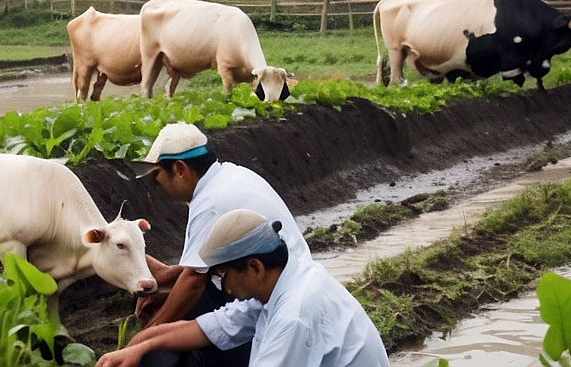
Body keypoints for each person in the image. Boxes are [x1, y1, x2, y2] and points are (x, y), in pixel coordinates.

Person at [116, 123, 308, 366]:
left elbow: (194, 281)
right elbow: (193, 270)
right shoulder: (229, 176)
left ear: (179, 169)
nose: (159, 187)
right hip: (286, 281)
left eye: (158, 178)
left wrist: (140, 342)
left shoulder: (211, 203)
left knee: (179, 306)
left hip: (270, 299)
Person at [96, 209, 387, 367]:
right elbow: (207, 327)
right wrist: (137, 348)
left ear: (255, 268)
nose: (223, 285)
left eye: (222, 274)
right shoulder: (279, 283)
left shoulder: (294, 317)